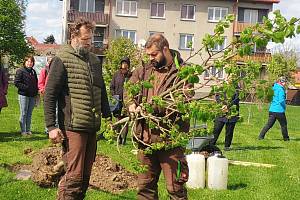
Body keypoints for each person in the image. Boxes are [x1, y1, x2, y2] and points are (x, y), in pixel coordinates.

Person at [43, 18, 111, 199]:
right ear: (74, 36)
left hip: (91, 126)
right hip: (72, 126)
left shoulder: (94, 61)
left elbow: (101, 88)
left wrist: (108, 114)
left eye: (90, 40)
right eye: (85, 40)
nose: (89, 44)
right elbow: (49, 94)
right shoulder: (62, 59)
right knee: (74, 177)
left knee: (85, 178)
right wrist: (51, 126)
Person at [125, 33, 189, 200]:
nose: (151, 58)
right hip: (145, 139)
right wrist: (131, 103)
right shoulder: (143, 71)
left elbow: (179, 101)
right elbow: (129, 89)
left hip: (171, 141)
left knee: (176, 189)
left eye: (154, 54)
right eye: (148, 55)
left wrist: (148, 107)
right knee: (145, 188)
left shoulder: (183, 72)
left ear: (165, 49)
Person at [258, 77, 290, 141]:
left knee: (269, 124)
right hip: (279, 110)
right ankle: (286, 138)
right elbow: (281, 100)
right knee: (283, 125)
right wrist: (284, 106)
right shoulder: (281, 89)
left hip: (272, 109)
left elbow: (269, 97)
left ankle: (261, 136)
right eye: (284, 82)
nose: (285, 83)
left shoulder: (273, 88)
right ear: (280, 82)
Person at [14, 56, 38, 136]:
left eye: (31, 62)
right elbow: (17, 82)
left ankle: (28, 130)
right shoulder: (20, 71)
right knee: (23, 113)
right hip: (23, 95)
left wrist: (36, 92)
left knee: (29, 113)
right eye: (28, 61)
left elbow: (35, 83)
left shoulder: (33, 71)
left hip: (32, 96)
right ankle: (23, 130)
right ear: (24, 62)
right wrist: (26, 88)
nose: (29, 63)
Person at [110, 57, 131, 145]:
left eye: (126, 63)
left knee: (125, 120)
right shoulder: (116, 74)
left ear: (128, 65)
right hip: (117, 100)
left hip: (127, 101)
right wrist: (114, 96)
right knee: (118, 120)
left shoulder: (131, 75)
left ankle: (124, 140)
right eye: (123, 63)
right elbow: (112, 87)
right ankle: (118, 138)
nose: (124, 64)